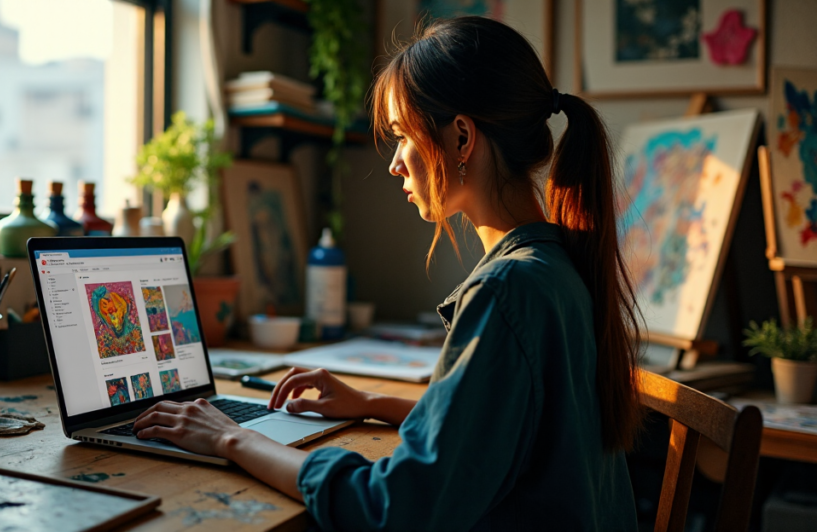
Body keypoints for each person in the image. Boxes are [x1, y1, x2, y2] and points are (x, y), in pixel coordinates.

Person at [133, 16, 642, 530]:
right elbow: (502, 427)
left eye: (403, 136)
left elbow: (392, 509)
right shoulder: (556, 266)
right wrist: (372, 402)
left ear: (462, 138)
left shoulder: (507, 291)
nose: (396, 163)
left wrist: (231, 437)